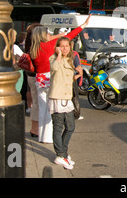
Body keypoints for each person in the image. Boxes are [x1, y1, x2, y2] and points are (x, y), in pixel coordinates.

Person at [30, 14, 91, 143]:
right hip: (50, 78)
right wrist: (83, 25)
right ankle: (48, 137)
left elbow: (56, 38)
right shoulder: (49, 46)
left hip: (39, 79)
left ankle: (42, 135)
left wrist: (57, 36)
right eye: (47, 33)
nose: (49, 34)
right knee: (50, 110)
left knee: (42, 109)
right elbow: (69, 37)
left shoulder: (34, 48)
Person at [49, 37, 82, 170]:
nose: (64, 48)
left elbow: (68, 78)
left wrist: (78, 74)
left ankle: (63, 153)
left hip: (66, 97)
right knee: (58, 127)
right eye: (61, 46)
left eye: (66, 46)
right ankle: (60, 155)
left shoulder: (70, 60)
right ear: (57, 47)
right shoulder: (54, 59)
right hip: (57, 97)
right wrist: (58, 54)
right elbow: (55, 68)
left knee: (70, 126)